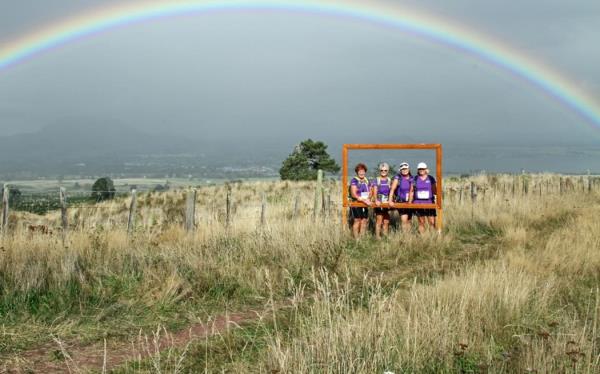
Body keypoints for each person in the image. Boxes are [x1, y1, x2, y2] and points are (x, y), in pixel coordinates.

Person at [389, 162, 414, 232]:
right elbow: (392, 189)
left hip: (410, 201)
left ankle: (408, 236)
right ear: (400, 170)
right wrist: (390, 200)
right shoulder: (398, 178)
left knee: (409, 220)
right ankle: (405, 235)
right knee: (404, 219)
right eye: (403, 169)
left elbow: (412, 190)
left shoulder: (412, 178)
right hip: (401, 201)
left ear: (409, 169)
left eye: (406, 169)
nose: (404, 170)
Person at [412, 162, 437, 233]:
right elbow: (412, 191)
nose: (421, 170)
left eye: (423, 169)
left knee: (432, 222)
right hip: (418, 203)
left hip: (429, 203)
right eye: (420, 169)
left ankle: (432, 238)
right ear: (417, 170)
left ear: (426, 169)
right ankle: (422, 239)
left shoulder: (431, 178)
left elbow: (435, 191)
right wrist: (410, 202)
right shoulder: (415, 178)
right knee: (421, 222)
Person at [349, 163, 371, 238]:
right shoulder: (354, 180)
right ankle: (356, 239)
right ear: (357, 172)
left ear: (365, 172)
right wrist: (363, 200)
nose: (361, 173)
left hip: (365, 204)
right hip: (356, 203)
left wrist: (369, 198)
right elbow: (353, 194)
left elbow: (370, 191)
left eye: (363, 171)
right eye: (360, 171)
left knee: (364, 220)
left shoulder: (367, 180)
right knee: (357, 220)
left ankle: (362, 237)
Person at [371, 162, 392, 239]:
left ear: (388, 171)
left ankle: (385, 236)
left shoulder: (389, 180)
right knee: (379, 219)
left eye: (385, 170)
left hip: (386, 202)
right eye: (382, 170)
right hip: (379, 202)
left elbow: (391, 191)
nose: (383, 172)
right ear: (380, 170)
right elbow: (375, 191)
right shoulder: (377, 180)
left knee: (386, 220)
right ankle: (377, 236)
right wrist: (376, 200)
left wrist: (391, 200)